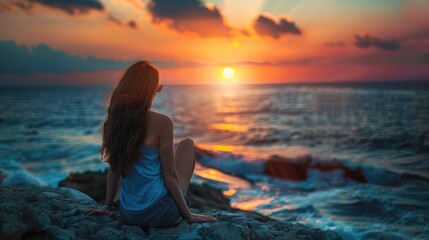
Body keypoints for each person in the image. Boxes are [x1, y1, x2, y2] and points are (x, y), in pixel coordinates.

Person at [85, 60, 217, 228]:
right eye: (157, 87)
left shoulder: (115, 120)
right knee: (186, 145)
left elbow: (114, 168)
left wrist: (107, 205)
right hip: (160, 213)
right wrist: (188, 215)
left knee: (130, 166)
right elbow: (170, 175)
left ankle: (119, 202)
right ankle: (182, 209)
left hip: (128, 215)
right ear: (152, 91)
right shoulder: (162, 122)